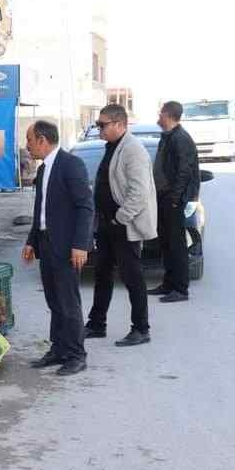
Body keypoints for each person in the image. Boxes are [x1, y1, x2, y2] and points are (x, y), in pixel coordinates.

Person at [22, 120, 94, 376]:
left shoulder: (71, 164)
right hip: (46, 243)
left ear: (42, 140)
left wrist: (80, 244)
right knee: (54, 300)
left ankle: (76, 354)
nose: (27, 146)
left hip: (66, 247)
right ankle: (58, 349)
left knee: (68, 301)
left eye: (29, 140)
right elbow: (39, 210)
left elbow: (85, 207)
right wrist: (32, 240)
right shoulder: (43, 170)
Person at [84, 104, 157, 347]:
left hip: (124, 225)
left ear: (119, 124)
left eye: (102, 124)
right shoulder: (113, 146)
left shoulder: (133, 150)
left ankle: (141, 328)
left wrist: (120, 218)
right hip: (107, 224)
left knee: (132, 276)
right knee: (102, 274)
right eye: (98, 124)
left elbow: (139, 192)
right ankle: (96, 324)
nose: (99, 129)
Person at [149, 101, 199, 303]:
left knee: (176, 245)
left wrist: (175, 199)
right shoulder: (168, 137)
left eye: (160, 113)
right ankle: (169, 283)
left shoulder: (181, 138)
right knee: (166, 243)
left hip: (173, 200)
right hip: (163, 198)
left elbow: (185, 172)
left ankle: (180, 289)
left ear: (167, 115)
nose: (158, 116)